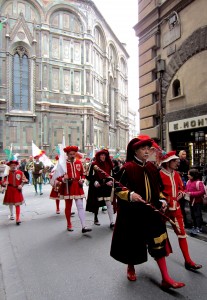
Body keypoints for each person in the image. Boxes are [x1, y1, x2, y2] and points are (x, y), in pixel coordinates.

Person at [110, 136, 185, 290]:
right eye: (142, 148)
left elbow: (159, 189)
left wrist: (163, 200)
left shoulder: (152, 168)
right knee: (133, 243)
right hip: (134, 214)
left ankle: (166, 278)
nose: (146, 151)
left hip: (152, 211)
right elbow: (117, 189)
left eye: (148, 148)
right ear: (135, 151)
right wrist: (130, 195)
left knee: (158, 243)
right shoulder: (127, 168)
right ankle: (130, 267)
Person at [159, 151, 202, 271]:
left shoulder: (177, 174)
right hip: (163, 210)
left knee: (182, 234)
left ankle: (188, 261)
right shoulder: (159, 175)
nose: (177, 163)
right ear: (167, 162)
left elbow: (182, 188)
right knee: (156, 235)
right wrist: (163, 200)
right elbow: (156, 191)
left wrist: (182, 193)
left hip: (176, 209)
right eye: (174, 161)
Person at [59, 145, 92, 234]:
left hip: (77, 186)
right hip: (68, 187)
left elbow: (83, 173)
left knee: (80, 206)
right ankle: (69, 224)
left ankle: (84, 226)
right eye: (71, 154)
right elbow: (58, 177)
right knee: (68, 207)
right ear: (67, 154)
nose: (73, 155)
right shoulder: (63, 164)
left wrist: (82, 179)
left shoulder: (79, 162)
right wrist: (63, 178)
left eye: (74, 154)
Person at [86, 149, 115, 228]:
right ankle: (96, 218)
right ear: (98, 156)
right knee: (97, 203)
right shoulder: (94, 164)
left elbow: (112, 175)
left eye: (104, 155)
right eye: (101, 155)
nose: (103, 156)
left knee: (108, 203)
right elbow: (89, 175)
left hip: (107, 186)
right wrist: (94, 182)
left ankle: (112, 222)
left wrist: (111, 181)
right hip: (98, 186)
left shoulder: (109, 164)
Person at [2, 160, 28, 225]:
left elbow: (24, 180)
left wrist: (21, 185)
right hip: (9, 189)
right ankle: (11, 214)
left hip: (17, 190)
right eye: (12, 165)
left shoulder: (20, 172)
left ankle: (18, 218)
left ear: (16, 166)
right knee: (10, 203)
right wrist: (4, 183)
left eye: (14, 165)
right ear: (9, 166)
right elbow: (2, 181)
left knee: (17, 204)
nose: (13, 166)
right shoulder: (6, 173)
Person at [185, 168, 205, 234]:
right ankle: (195, 226)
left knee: (197, 215)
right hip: (191, 201)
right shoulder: (188, 182)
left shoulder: (199, 183)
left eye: (189, 174)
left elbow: (202, 192)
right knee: (193, 214)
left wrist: (191, 193)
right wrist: (185, 193)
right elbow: (186, 189)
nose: (188, 175)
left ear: (193, 175)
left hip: (198, 202)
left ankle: (199, 227)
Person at [177, 150, 190, 227]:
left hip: (184, 179)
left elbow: (187, 170)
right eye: (183, 154)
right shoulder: (178, 161)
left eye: (185, 154)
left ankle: (186, 220)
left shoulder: (186, 162)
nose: (184, 155)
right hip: (180, 179)